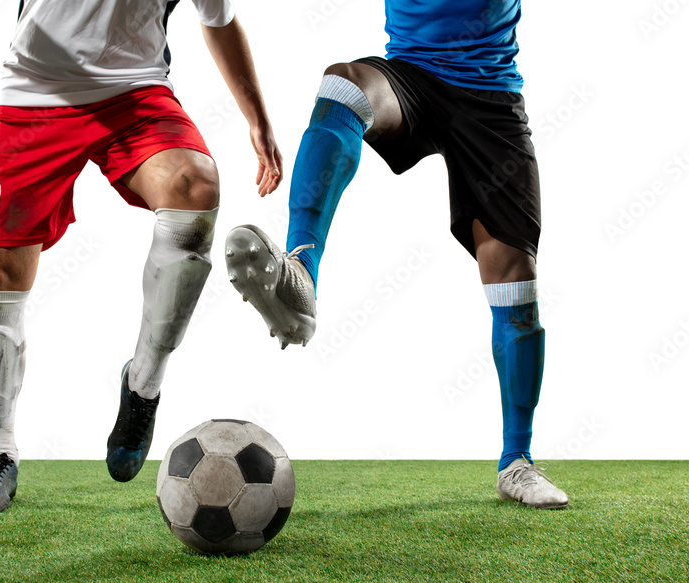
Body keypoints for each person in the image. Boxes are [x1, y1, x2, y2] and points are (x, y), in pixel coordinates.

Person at [224, 0, 568, 508]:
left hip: (491, 97)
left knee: (516, 287)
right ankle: (301, 274)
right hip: (409, 77)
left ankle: (517, 461)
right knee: (342, 86)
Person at [0, 0, 283, 513]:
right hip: (33, 93)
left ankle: (144, 383)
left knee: (195, 185)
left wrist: (258, 122)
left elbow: (219, 20)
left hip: (134, 94)